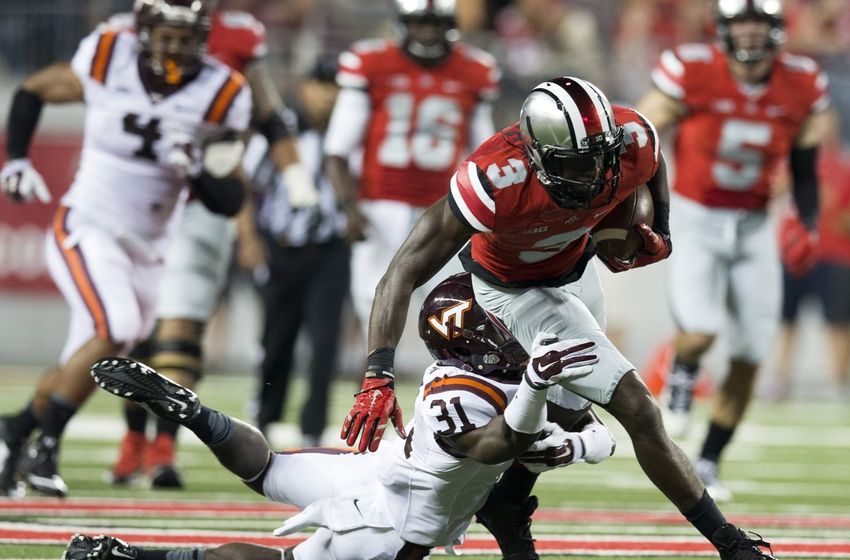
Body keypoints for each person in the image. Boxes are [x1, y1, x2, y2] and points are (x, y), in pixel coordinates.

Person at [338, 74, 777, 560]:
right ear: (538, 157)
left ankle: (508, 501)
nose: (596, 176)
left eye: (602, 158)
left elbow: (651, 160)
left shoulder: (632, 141)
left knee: (570, 413)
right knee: (637, 409)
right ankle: (732, 546)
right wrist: (377, 373)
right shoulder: (493, 179)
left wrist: (663, 229)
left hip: (577, 269)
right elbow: (400, 271)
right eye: (578, 164)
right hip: (517, 291)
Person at [73, 272, 615, 559]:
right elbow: (493, 446)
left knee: (268, 469)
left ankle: (194, 413)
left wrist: (573, 444)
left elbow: (598, 435)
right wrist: (541, 393)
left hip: (375, 468)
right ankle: (128, 556)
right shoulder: (465, 395)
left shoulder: (478, 377)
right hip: (390, 522)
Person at [0, 0, 251, 498]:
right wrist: (18, 160)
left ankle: (16, 428)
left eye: (185, 37)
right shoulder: (109, 56)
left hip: (148, 250)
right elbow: (34, 89)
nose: (174, 46)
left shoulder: (222, 92)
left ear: (202, 37)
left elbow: (231, 199)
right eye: (166, 35)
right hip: (86, 225)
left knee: (91, 353)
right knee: (113, 329)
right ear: (145, 32)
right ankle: (45, 448)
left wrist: (196, 167)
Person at [635, 0, 831, 500]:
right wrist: (636, 196)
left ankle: (710, 460)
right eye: (739, 24)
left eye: (757, 24)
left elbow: (807, 162)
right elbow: (642, 130)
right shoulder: (694, 70)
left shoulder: (802, 82)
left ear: (776, 30)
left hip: (755, 225)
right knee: (700, 331)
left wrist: (807, 222)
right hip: (698, 218)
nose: (748, 34)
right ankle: (682, 371)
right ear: (722, 30)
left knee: (749, 354)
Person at [323, 0, 500, 336]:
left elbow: (485, 155)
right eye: (421, 23)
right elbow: (337, 150)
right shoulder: (371, 63)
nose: (428, 32)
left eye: (436, 23)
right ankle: (378, 381)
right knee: (372, 300)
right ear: (403, 23)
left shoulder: (476, 71)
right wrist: (348, 206)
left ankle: (445, 384)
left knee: (450, 307)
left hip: (445, 207)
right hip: (380, 203)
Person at [243, 55, 349, 446]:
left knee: (325, 344)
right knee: (276, 341)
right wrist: (249, 238)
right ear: (303, 88)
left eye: (333, 86)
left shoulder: (350, 132)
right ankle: (265, 420)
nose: (326, 95)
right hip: (282, 248)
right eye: (320, 85)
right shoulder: (280, 130)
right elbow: (248, 183)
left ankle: (312, 430)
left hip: (330, 251)